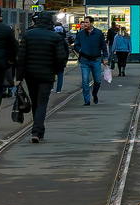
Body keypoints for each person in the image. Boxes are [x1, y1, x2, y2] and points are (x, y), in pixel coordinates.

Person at [19, 12, 69, 143]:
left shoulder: (27, 35)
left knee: (35, 101)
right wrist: (57, 70)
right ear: (50, 22)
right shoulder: (55, 37)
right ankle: (37, 130)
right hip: (47, 74)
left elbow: (21, 57)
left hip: (30, 74)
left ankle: (38, 129)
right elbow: (61, 57)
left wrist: (19, 76)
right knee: (42, 102)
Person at [74, 16, 109, 105]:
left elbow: (103, 46)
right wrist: (80, 50)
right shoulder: (80, 34)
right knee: (85, 81)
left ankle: (94, 93)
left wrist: (105, 57)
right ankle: (87, 100)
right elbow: (76, 45)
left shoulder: (98, 33)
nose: (85, 24)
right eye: (84, 22)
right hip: (84, 60)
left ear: (92, 23)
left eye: (87, 22)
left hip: (96, 59)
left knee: (97, 80)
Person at [53, 24, 67, 91]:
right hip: (61, 61)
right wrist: (65, 60)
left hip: (52, 60)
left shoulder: (52, 39)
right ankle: (58, 89)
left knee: (52, 74)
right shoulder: (63, 41)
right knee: (60, 75)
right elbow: (66, 51)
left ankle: (51, 87)